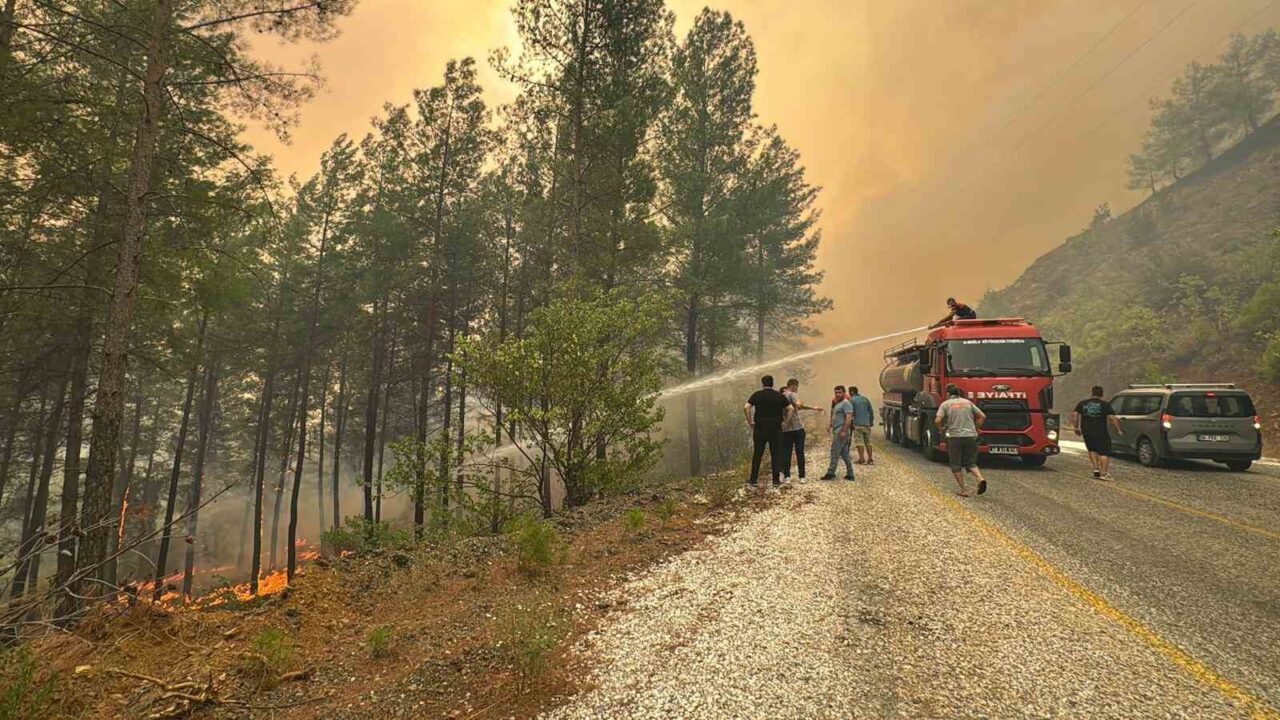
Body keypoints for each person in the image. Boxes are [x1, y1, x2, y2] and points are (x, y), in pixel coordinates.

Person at [935, 384, 988, 497]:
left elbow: (937, 420)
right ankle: (980, 478)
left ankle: (964, 490)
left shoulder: (945, 404)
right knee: (970, 463)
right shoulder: (968, 403)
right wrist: (976, 428)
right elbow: (982, 416)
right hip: (970, 436)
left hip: (954, 437)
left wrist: (941, 430)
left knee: (955, 464)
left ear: (949, 394)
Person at [744, 375, 794, 490]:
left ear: (763, 384)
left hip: (760, 428)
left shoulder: (757, 395)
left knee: (757, 454)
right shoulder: (779, 395)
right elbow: (790, 408)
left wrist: (750, 421)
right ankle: (775, 481)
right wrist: (786, 421)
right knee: (776, 454)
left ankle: (753, 479)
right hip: (775, 429)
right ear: (772, 383)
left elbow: (746, 407)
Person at [1073, 386, 1122, 480]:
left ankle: (1096, 469)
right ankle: (1104, 473)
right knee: (1104, 452)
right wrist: (1118, 429)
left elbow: (1075, 415)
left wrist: (1076, 427)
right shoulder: (1105, 404)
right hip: (1100, 431)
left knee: (1092, 449)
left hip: (1086, 431)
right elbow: (1112, 418)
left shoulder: (1083, 403)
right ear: (1102, 394)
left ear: (1092, 393)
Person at [781, 378, 823, 484]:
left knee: (787, 453)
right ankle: (802, 476)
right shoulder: (792, 394)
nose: (797, 389)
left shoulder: (782, 396)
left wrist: (813, 408)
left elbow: (798, 408)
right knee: (800, 452)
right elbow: (799, 405)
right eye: (797, 387)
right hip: (797, 429)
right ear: (794, 385)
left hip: (786, 430)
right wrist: (813, 407)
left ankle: (787, 476)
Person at [820, 386, 856, 481]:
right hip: (837, 431)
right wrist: (830, 425)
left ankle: (831, 473)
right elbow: (835, 416)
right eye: (836, 392)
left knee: (834, 452)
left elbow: (849, 417)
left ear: (844, 393)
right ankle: (850, 474)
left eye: (840, 392)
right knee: (844, 453)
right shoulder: (838, 404)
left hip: (841, 432)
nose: (837, 394)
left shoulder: (846, 403)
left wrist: (844, 431)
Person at [848, 386, 876, 465]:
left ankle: (861, 458)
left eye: (849, 392)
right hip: (866, 424)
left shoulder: (851, 400)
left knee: (859, 442)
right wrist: (871, 422)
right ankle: (870, 459)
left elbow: (850, 413)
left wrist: (850, 423)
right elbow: (871, 411)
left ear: (852, 392)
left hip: (858, 425)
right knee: (868, 442)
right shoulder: (865, 399)